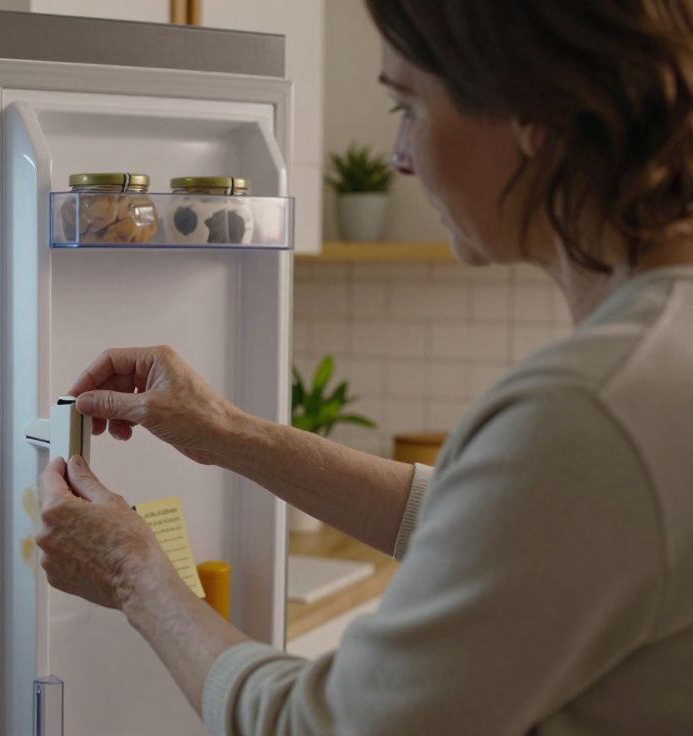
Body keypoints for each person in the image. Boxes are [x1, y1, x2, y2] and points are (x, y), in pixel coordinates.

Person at [35, 1, 693, 734]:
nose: (399, 155)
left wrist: (136, 578)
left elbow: (332, 727)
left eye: (406, 106)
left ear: (531, 112)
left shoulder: (591, 409)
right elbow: (489, 524)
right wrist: (226, 432)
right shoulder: (654, 363)